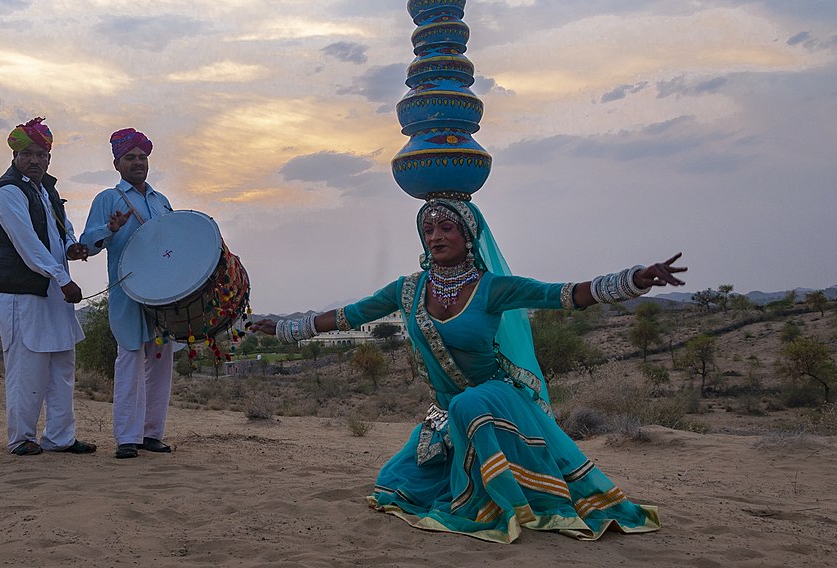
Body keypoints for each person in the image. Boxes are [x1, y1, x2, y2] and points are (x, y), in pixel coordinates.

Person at [254, 197, 685, 543]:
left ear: (468, 234)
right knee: (393, 486)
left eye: (446, 227)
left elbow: (564, 295)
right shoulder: (408, 289)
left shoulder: (492, 287)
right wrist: (285, 328)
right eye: (428, 229)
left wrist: (634, 280)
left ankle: (500, 501)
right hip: (446, 411)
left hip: (494, 400)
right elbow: (349, 315)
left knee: (469, 402)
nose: (435, 236)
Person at [0, 117, 96, 456]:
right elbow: (27, 243)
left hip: (54, 292)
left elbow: (59, 233)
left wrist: (73, 248)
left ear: (49, 158)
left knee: (62, 366)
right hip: (24, 294)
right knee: (27, 369)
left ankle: (60, 437)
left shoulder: (47, 190)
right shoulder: (8, 192)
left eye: (41, 155)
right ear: (15, 156)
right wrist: (62, 278)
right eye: (27, 154)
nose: (34, 160)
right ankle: (21, 438)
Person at [80, 128, 174, 460]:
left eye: (143, 157)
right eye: (130, 158)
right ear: (117, 164)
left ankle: (152, 433)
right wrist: (111, 228)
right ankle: (127, 438)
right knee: (130, 359)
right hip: (128, 292)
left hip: (163, 294)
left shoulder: (160, 201)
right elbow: (86, 243)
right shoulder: (108, 198)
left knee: (161, 361)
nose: (138, 163)